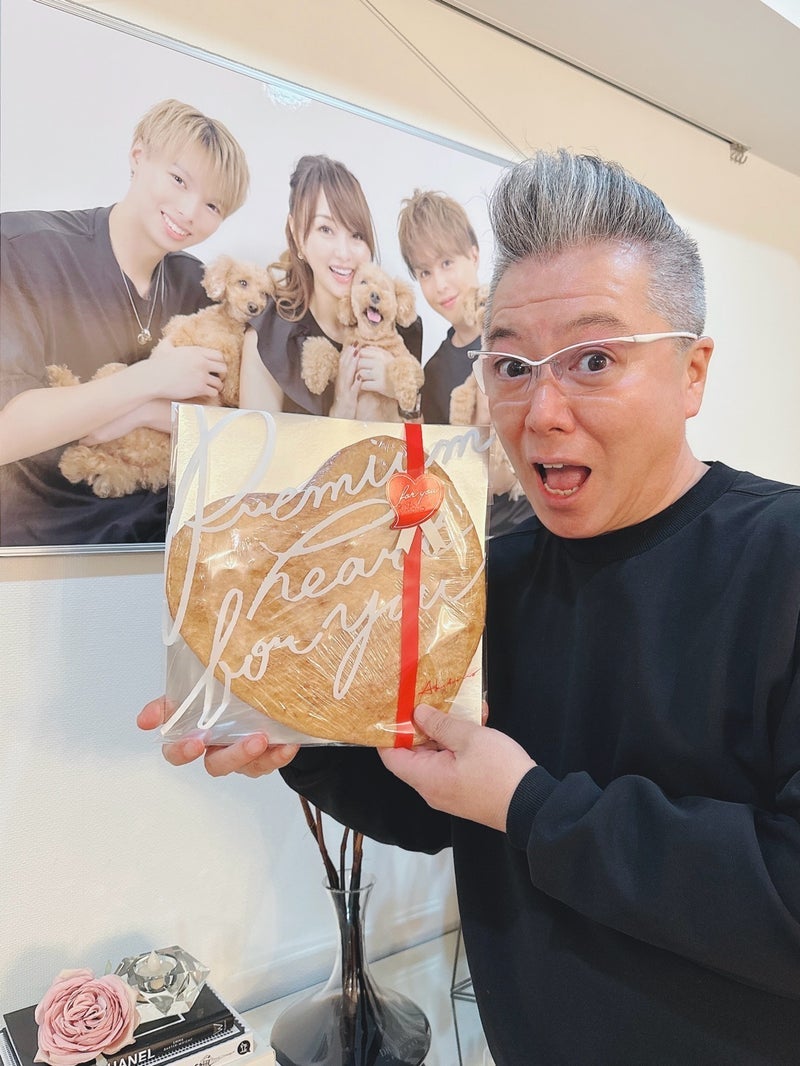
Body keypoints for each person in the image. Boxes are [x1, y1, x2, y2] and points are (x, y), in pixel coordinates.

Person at [139, 149, 800, 1065]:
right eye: (513, 365)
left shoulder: (781, 556)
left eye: (594, 359)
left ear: (693, 371)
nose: (542, 411)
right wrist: (296, 737)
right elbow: (437, 805)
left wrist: (531, 806)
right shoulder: (487, 572)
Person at [0, 99, 250, 548]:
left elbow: (239, 430)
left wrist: (145, 413)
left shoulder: (199, 288)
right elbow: (7, 431)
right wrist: (150, 379)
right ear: (138, 155)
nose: (190, 211)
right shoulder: (24, 249)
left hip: (166, 544)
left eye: (213, 205)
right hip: (43, 547)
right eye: (179, 180)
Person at [239, 154, 422, 419]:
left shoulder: (397, 328)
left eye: (356, 235)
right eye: (326, 229)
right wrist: (341, 412)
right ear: (297, 233)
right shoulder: (269, 337)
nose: (344, 253)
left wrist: (403, 397)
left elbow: (417, 446)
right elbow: (255, 444)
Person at [397, 187, 531, 534]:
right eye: (424, 273)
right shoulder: (434, 372)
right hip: (484, 537)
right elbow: (446, 477)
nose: (440, 285)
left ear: (473, 254)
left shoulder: (519, 328)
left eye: (446, 263)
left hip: (543, 523)